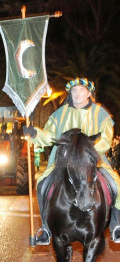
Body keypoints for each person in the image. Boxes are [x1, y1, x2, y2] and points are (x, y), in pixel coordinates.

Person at [23, 77, 120, 245]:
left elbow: (105, 140)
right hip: (62, 161)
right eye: (74, 91)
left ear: (89, 93)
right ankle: (46, 228)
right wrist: (35, 134)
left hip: (93, 160)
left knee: (117, 182)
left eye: (81, 90)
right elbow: (49, 136)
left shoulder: (100, 113)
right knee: (41, 183)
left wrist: (86, 154)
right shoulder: (60, 114)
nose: (77, 94)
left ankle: (116, 225)